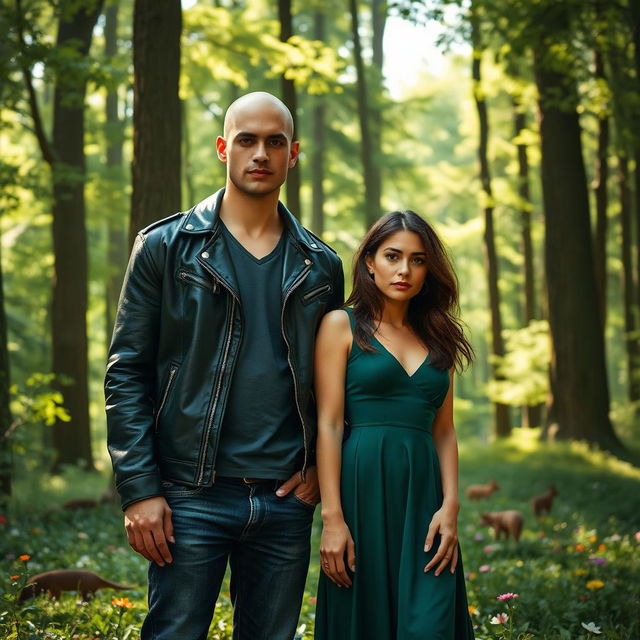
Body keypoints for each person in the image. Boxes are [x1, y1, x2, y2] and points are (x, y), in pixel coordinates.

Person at [105, 91, 344, 640]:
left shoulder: (322, 266)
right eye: (247, 140)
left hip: (285, 501)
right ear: (223, 148)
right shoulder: (165, 247)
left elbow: (335, 386)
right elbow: (127, 372)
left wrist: (316, 471)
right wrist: (140, 488)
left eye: (274, 142)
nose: (260, 153)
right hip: (190, 493)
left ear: (293, 154)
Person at [313, 210, 475, 640]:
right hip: (362, 492)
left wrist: (451, 505)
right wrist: (333, 519)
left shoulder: (440, 335)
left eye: (418, 260)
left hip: (425, 500)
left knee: (431, 622)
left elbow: (444, 430)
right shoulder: (340, 325)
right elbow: (328, 424)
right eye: (392, 256)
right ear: (369, 261)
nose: (404, 269)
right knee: (364, 621)